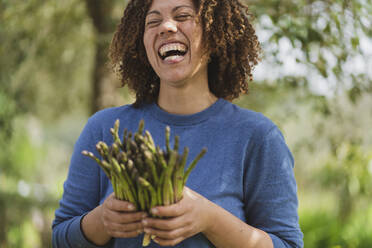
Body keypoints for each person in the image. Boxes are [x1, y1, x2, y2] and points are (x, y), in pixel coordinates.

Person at [52, 0, 303, 247]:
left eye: (182, 16)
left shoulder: (258, 137)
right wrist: (101, 221)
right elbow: (60, 237)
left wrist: (209, 218)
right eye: (153, 21)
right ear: (141, 43)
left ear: (214, 32)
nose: (166, 27)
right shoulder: (103, 129)